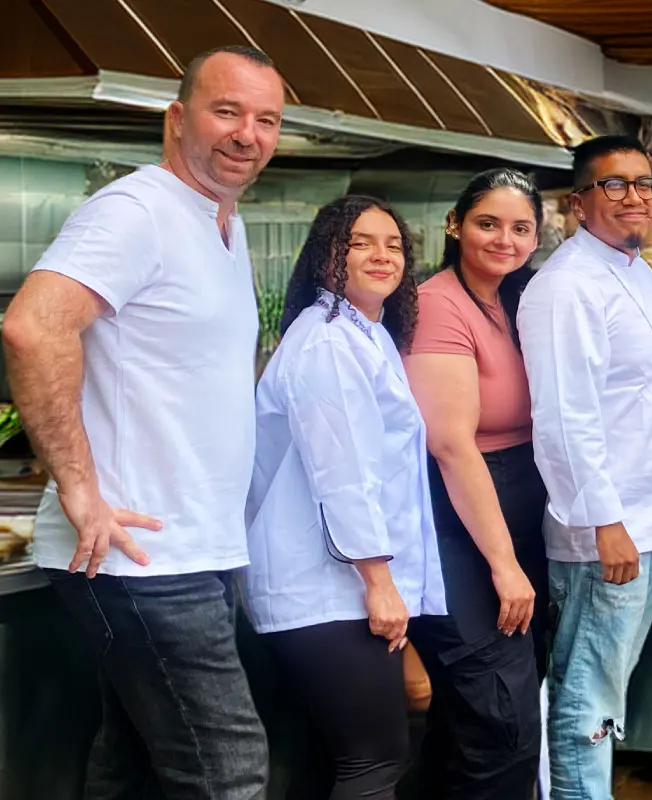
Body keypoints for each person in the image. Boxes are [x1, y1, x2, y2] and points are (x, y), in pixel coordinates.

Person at [0, 45, 281, 798]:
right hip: (141, 557)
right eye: (227, 112)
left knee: (134, 767)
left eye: (266, 120)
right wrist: (79, 488)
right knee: (228, 771)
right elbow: (33, 328)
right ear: (177, 118)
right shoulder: (136, 211)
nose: (247, 134)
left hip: (193, 549)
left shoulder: (224, 224)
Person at [246, 195, 444, 800]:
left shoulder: (364, 334)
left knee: (322, 762)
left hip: (336, 587)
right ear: (328, 256)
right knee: (374, 761)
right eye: (361, 243)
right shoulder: (329, 341)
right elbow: (344, 474)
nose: (382, 256)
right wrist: (379, 582)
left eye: (393, 245)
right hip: (328, 591)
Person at [518, 135, 652, 800]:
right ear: (577, 202)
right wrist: (603, 522)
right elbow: (564, 416)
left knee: (606, 693)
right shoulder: (566, 286)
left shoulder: (636, 273)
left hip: (651, 521)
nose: (634, 197)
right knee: (585, 697)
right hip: (604, 535)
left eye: (644, 184)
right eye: (614, 184)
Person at [403, 167, 549, 798]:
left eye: (520, 228)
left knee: (471, 721)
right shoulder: (438, 302)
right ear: (455, 225)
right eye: (488, 223)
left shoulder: (517, 300)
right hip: (458, 524)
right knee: (501, 720)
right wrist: (503, 563)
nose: (504, 240)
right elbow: (450, 444)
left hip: (518, 512)